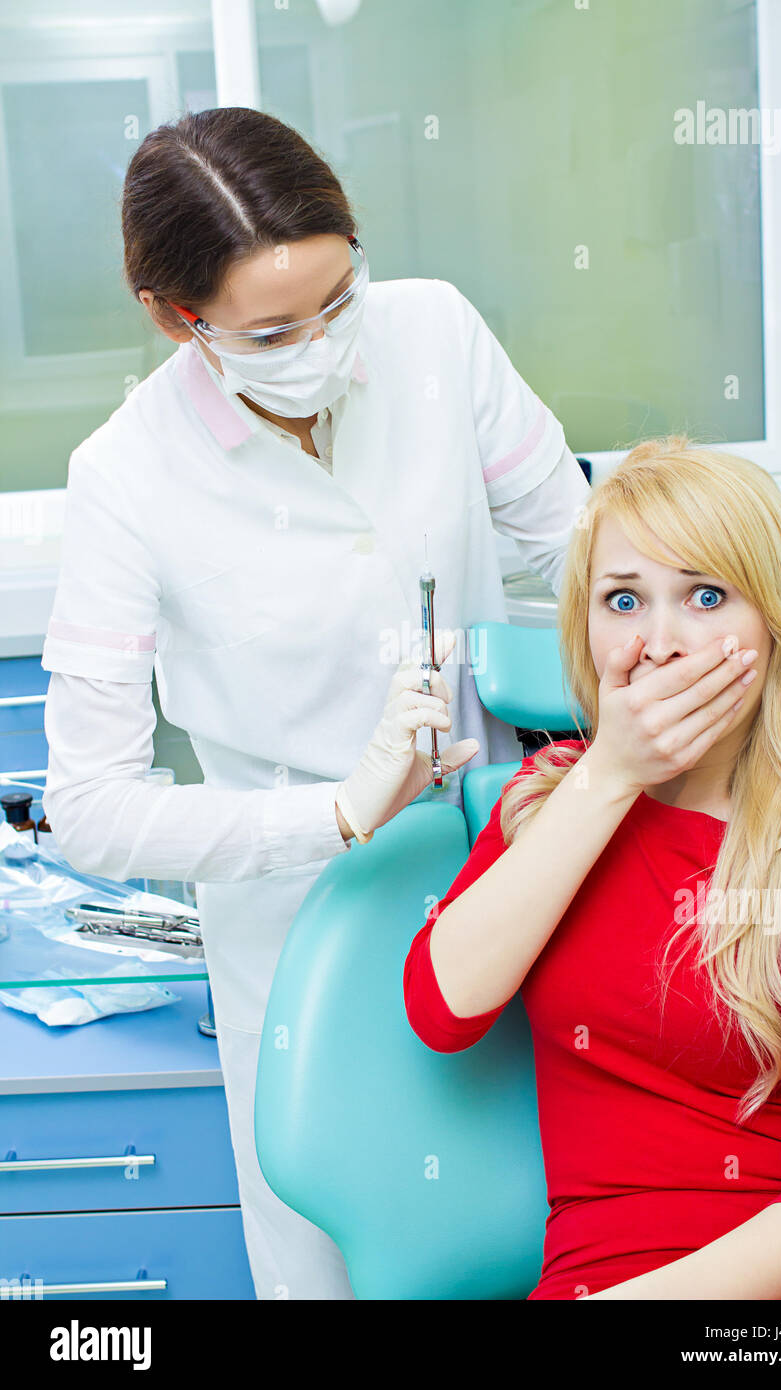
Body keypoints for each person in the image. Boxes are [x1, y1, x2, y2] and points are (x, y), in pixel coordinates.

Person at [39, 106, 590, 1300]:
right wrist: (337, 811)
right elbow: (87, 807)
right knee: (335, 1272)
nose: (329, 341)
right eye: (277, 328)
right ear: (173, 319)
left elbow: (586, 555)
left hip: (507, 888)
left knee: (548, 1246)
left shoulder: (434, 334)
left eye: (341, 296)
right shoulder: (124, 480)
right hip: (301, 938)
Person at [404, 435, 781, 1300]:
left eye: (704, 595)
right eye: (623, 600)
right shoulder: (547, 801)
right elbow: (444, 1009)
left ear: (773, 622)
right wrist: (610, 775)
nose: (658, 643)